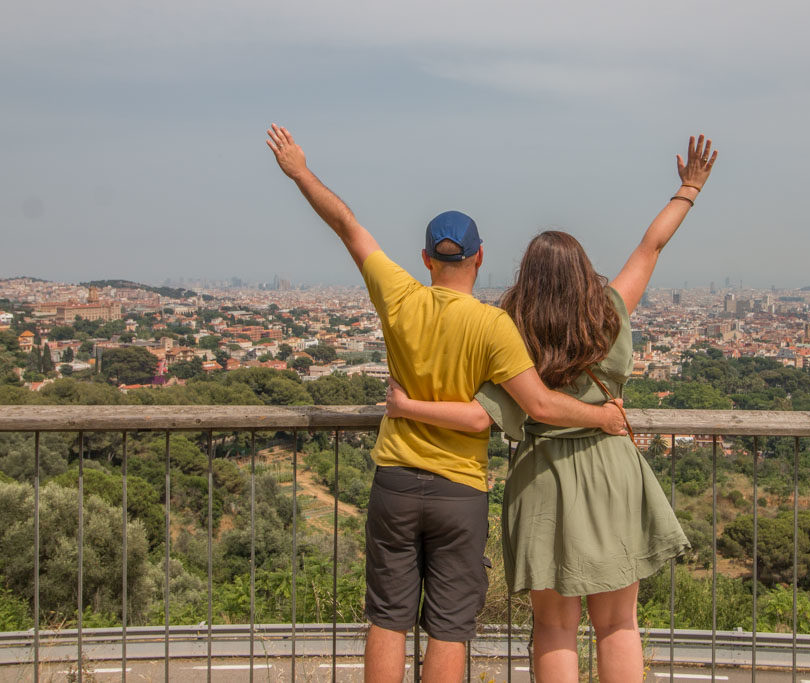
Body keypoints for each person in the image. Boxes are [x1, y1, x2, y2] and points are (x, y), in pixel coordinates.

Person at [264, 124, 627, 683]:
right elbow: (540, 405)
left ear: (426, 259)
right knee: (449, 627)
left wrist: (300, 171)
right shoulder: (494, 325)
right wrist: (604, 417)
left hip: (395, 479)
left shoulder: (400, 296)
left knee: (387, 618)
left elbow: (347, 224)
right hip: (459, 486)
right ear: (479, 257)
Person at [386, 135, 718, 682]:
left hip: (540, 473)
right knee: (617, 624)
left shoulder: (508, 328)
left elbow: (476, 413)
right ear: (583, 269)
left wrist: (406, 403)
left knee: (555, 626)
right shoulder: (607, 310)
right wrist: (689, 189)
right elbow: (649, 248)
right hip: (610, 467)